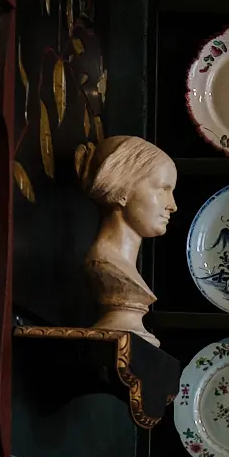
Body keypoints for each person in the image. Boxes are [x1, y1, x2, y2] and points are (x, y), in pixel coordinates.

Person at [81, 134, 177, 344]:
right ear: (122, 189)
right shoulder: (103, 264)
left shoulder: (121, 268)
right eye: (163, 189)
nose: (172, 205)